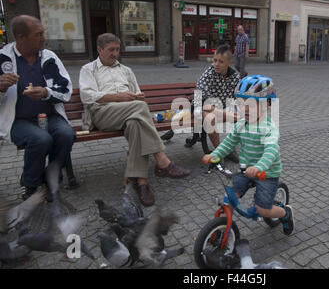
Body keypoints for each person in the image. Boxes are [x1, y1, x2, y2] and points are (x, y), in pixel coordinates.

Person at [79, 33, 190, 207]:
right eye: (111, 50)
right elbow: (87, 96)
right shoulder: (89, 69)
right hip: (101, 113)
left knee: (135, 123)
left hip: (129, 113)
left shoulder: (126, 70)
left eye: (117, 49)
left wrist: (135, 97)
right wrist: (118, 97)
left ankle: (141, 183)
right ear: (100, 50)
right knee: (139, 109)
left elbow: (138, 97)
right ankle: (162, 160)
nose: (115, 53)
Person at [202, 75, 294, 236]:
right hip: (245, 170)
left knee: (263, 209)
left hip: (266, 172)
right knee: (228, 199)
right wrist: (214, 155)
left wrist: (259, 167)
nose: (244, 109)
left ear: (267, 104)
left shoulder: (269, 128)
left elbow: (271, 151)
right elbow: (229, 143)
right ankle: (221, 231)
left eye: (251, 105)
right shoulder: (241, 124)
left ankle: (285, 214)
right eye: (241, 103)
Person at [0, 15, 75, 200]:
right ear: (21, 38)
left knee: (66, 135)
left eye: (43, 33)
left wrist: (46, 92)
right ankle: (31, 185)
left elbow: (65, 90)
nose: (44, 38)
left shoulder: (49, 57)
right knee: (41, 139)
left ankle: (51, 181)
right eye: (38, 34)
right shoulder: (3, 59)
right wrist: (1, 86)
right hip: (18, 120)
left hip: (50, 115)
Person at [195, 44, 241, 162]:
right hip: (202, 107)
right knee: (210, 118)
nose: (216, 64)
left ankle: (234, 147)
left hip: (222, 108)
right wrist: (228, 115)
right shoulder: (209, 74)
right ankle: (220, 151)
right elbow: (204, 103)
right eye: (215, 60)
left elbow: (239, 97)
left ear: (229, 63)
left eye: (221, 61)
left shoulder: (235, 76)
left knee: (245, 113)